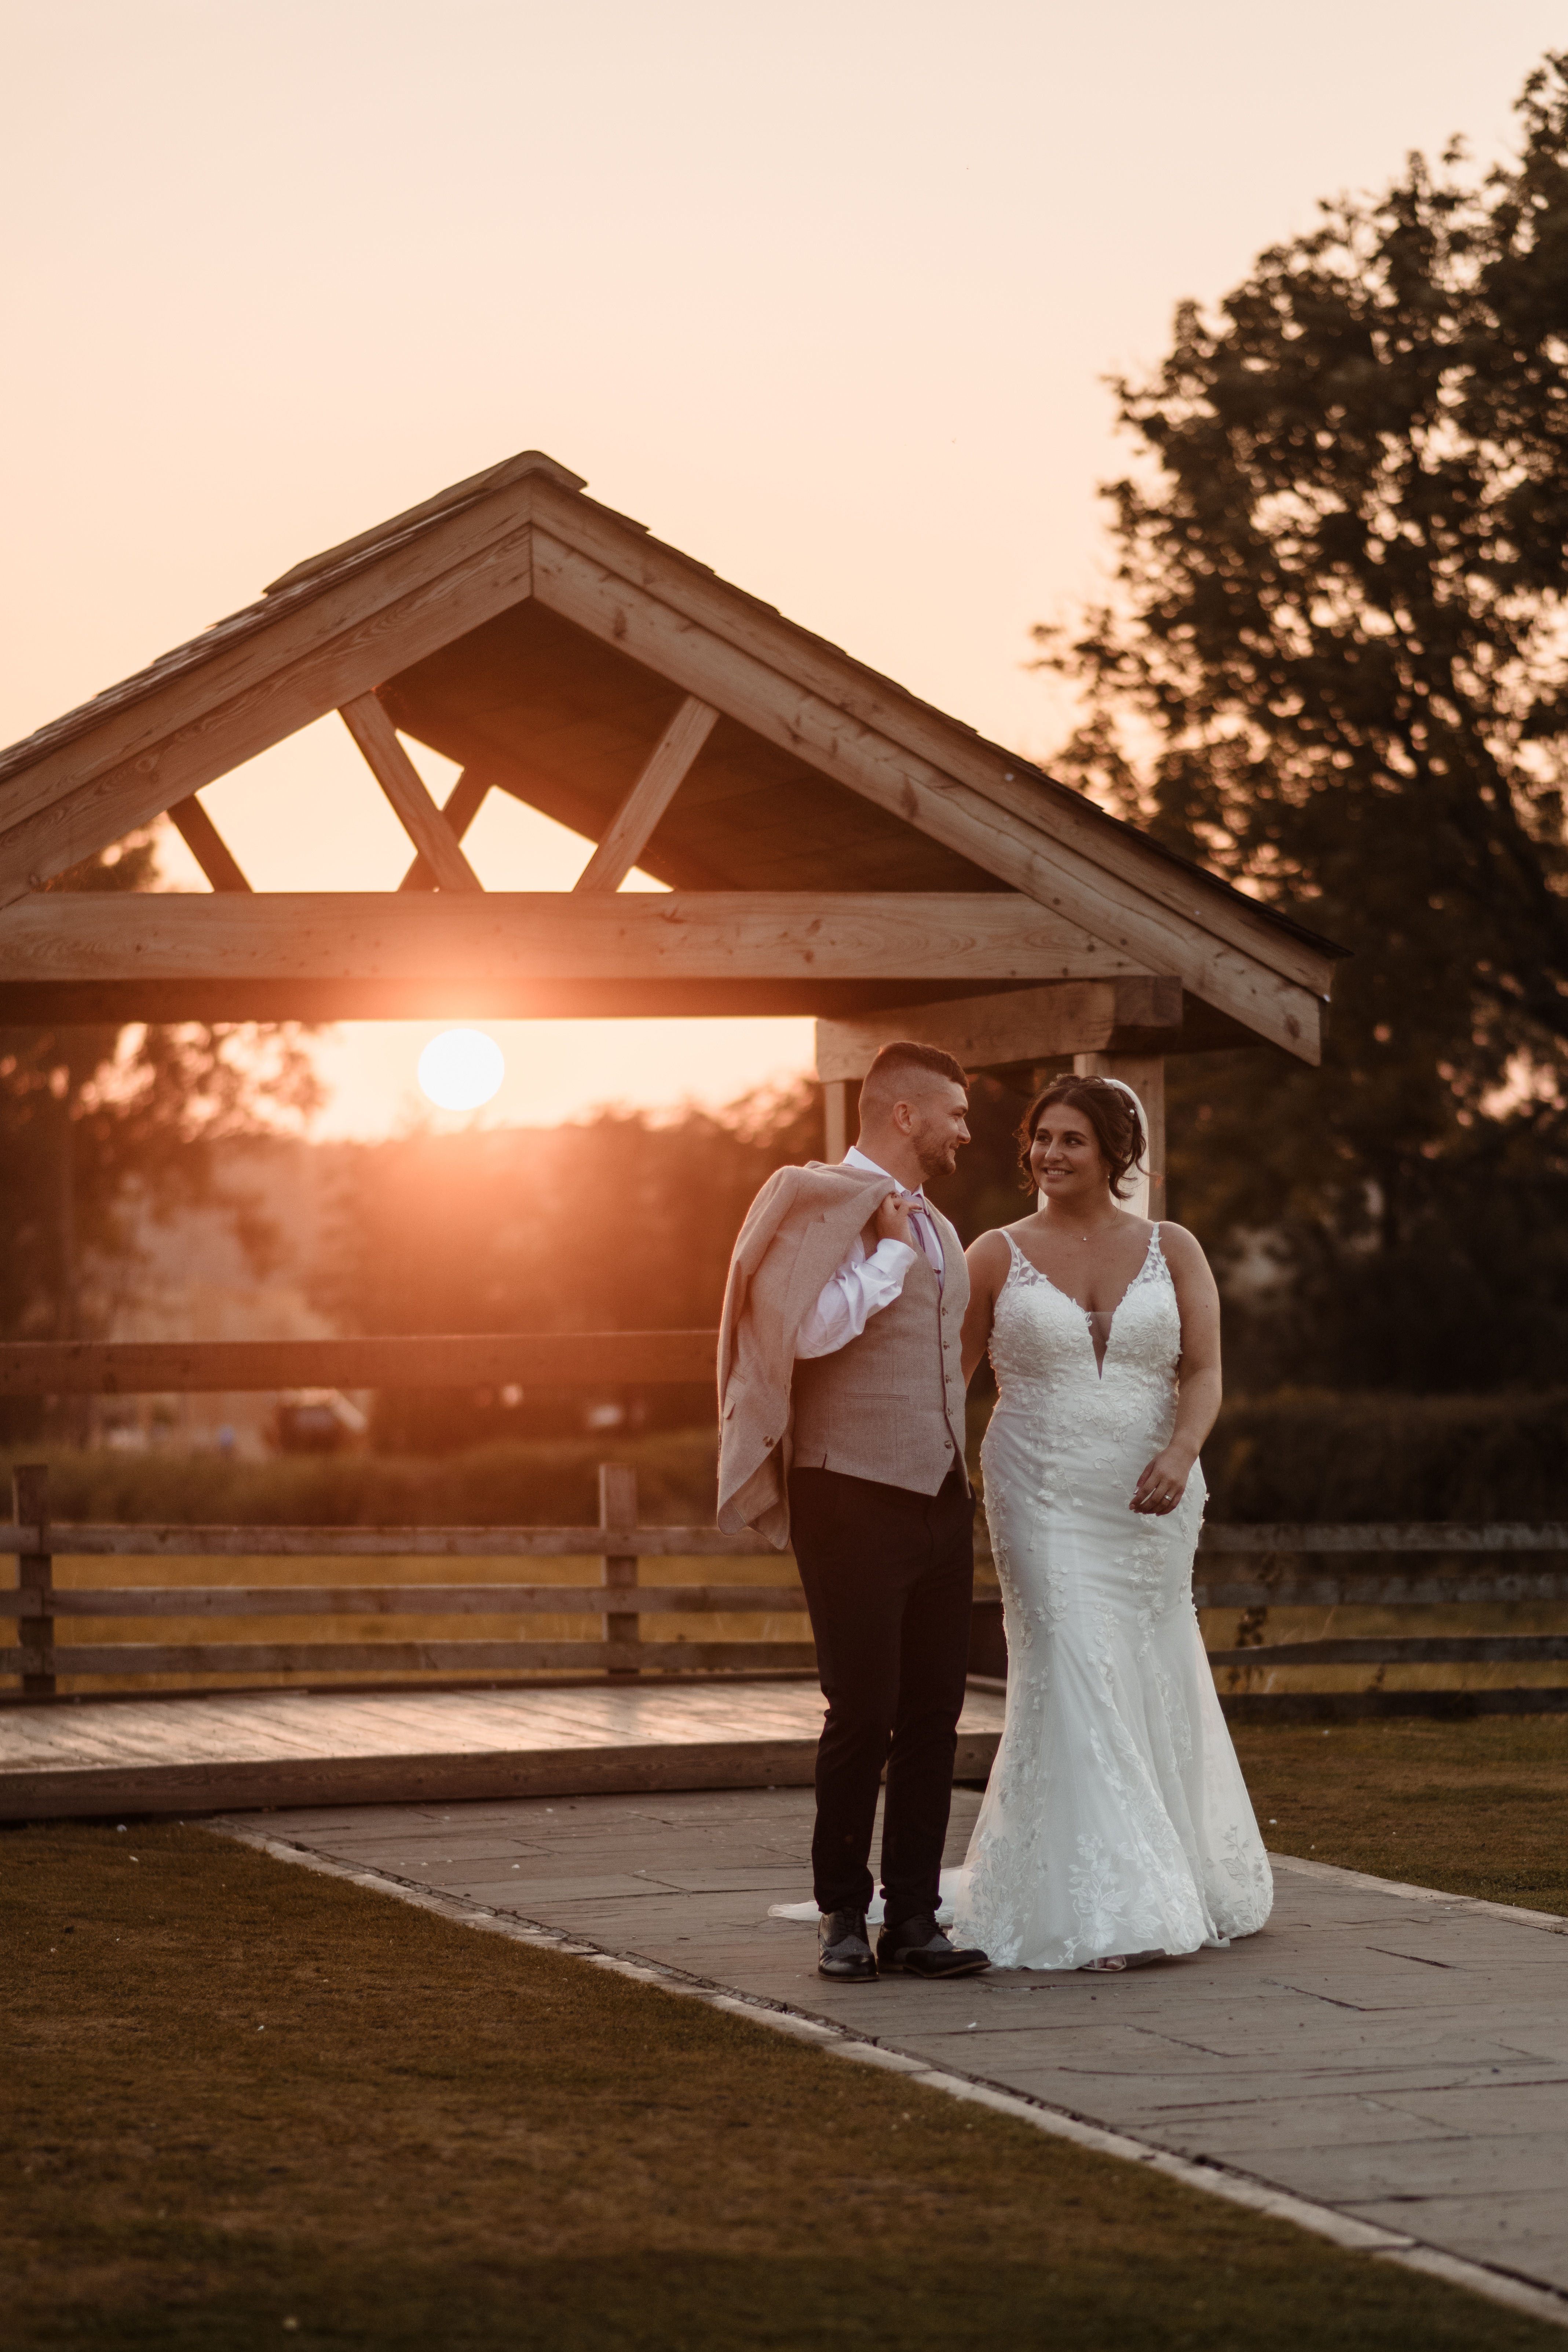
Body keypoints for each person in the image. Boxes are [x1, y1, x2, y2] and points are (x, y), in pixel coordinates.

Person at [951, 1074, 1273, 1972]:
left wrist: (1180, 1451)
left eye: (1071, 1141)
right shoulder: (992, 1253)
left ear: (1113, 1154)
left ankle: (1177, 1864)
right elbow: (950, 1379)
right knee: (1072, 1658)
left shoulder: (1173, 1248)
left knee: (1148, 1658)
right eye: (1041, 1138)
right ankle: (1114, 1902)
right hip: (1039, 1488)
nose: (1050, 1154)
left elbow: (1204, 1370)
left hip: (1152, 1490)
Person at [718, 1041, 990, 1983]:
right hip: (849, 1493)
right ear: (904, 1114)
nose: (966, 1127)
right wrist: (880, 1254)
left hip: (938, 1500)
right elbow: (799, 1334)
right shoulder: (815, 1199)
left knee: (932, 1714)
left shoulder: (944, 1229)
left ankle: (915, 1918)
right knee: (862, 1708)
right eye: (953, 1111)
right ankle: (843, 1911)